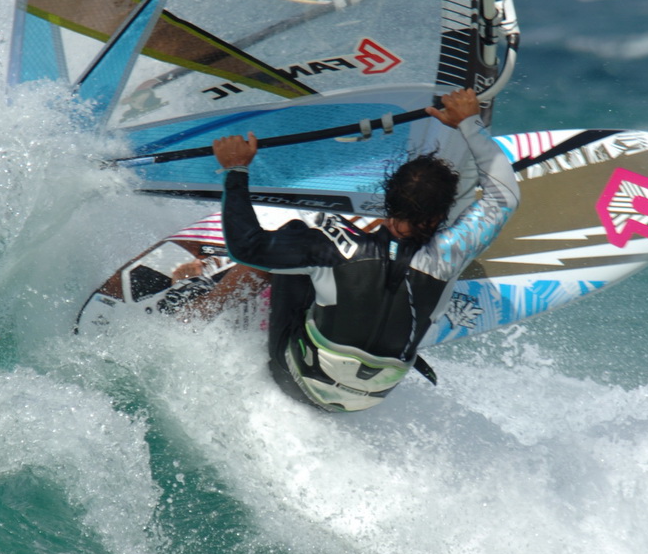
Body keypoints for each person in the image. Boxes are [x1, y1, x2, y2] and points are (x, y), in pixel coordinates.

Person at [212, 88, 520, 412]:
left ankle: (206, 309)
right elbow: (505, 197)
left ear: (388, 199)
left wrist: (236, 170)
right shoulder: (451, 253)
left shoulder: (334, 249)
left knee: (295, 238)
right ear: (442, 216)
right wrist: (470, 122)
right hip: (368, 398)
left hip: (293, 377)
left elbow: (245, 246)